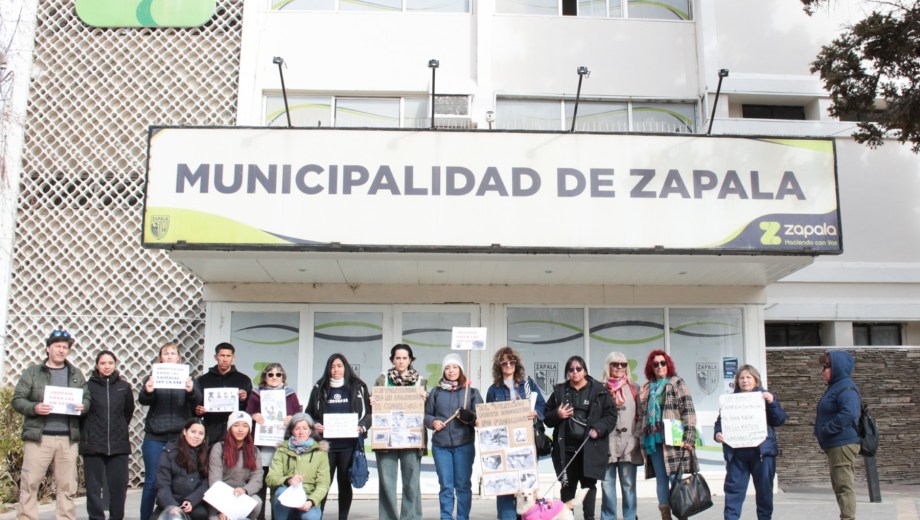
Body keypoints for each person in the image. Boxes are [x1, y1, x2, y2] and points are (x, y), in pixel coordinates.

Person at [12, 329, 90, 520]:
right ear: (48, 348)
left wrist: (83, 406)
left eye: (65, 347)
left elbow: (87, 398)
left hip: (67, 438)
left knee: (67, 486)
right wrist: (35, 408)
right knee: (30, 483)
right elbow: (18, 400)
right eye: (57, 346)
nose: (62, 350)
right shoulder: (32, 372)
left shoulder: (75, 374)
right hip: (39, 437)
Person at [544, 355, 617, 520]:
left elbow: (611, 415)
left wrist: (599, 429)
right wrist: (558, 414)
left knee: (589, 487)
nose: (575, 372)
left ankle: (589, 518)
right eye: (571, 369)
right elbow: (546, 418)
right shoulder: (559, 391)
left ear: (585, 371)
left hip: (590, 448)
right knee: (567, 487)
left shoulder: (599, 390)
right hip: (566, 450)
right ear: (567, 373)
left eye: (579, 369)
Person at [714, 364, 787, 520]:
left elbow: (779, 419)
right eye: (741, 378)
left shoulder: (765, 397)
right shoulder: (730, 400)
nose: (745, 381)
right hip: (737, 454)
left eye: (748, 377)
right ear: (737, 381)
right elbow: (720, 422)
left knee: (764, 493)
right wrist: (717, 433)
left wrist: (772, 402)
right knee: (733, 492)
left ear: (756, 380)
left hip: (762, 453)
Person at [304, 353, 371, 520]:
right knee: (323, 483)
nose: (336, 370)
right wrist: (314, 425)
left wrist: (362, 426)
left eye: (339, 366)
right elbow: (309, 414)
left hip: (349, 445)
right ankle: (317, 515)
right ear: (328, 369)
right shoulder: (319, 387)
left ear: (345, 367)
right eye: (332, 366)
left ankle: (343, 517)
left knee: (344, 483)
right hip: (325, 446)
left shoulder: (358, 387)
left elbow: (369, 413)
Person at [139, 341, 201, 520]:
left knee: (179, 480)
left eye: (172, 353)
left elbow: (198, 401)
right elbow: (143, 400)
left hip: (179, 436)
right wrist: (148, 391)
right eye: (165, 353)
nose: (169, 356)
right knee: (151, 481)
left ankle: (176, 515)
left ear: (179, 358)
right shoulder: (152, 377)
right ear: (160, 357)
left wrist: (191, 391)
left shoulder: (189, 378)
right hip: (155, 436)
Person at [485, 346, 546, 520]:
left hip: (525, 442)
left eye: (511, 361)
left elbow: (541, 405)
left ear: (516, 364)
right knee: (504, 485)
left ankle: (528, 516)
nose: (508, 365)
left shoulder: (528, 384)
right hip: (503, 445)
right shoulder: (493, 390)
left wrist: (535, 414)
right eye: (504, 362)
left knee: (526, 484)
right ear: (499, 366)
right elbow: (488, 414)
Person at [636, 350, 697, 520]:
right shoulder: (646, 388)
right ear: (651, 367)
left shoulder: (677, 383)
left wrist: (689, 436)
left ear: (668, 364)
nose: (660, 366)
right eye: (655, 364)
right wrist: (641, 441)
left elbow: (688, 410)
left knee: (674, 477)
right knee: (661, 479)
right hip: (653, 440)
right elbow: (641, 416)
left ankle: (682, 513)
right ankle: (665, 515)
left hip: (674, 439)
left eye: (663, 363)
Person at [372, 344, 428, 520]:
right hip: (387, 438)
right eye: (397, 358)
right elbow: (374, 405)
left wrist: (425, 400)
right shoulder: (382, 379)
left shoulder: (421, 381)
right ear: (392, 360)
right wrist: (372, 401)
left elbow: (428, 409)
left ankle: (410, 517)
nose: (401, 361)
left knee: (411, 483)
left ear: (410, 359)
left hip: (411, 438)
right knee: (387, 483)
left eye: (404, 358)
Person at [425, 352, 483, 520]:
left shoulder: (471, 392)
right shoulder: (436, 392)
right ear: (443, 371)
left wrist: (470, 417)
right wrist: (433, 421)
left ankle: (463, 517)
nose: (451, 371)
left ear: (461, 369)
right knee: (446, 485)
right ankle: (446, 517)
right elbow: (426, 415)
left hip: (463, 445)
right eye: (448, 367)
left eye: (455, 367)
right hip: (440, 446)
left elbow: (481, 417)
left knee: (463, 485)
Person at [80, 350, 136, 520]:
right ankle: (96, 517)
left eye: (110, 363)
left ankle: (116, 517)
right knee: (93, 487)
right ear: (97, 365)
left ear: (115, 364)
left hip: (118, 444)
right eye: (103, 363)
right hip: (93, 443)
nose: (106, 366)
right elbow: (83, 412)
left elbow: (128, 412)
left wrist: (117, 428)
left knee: (118, 487)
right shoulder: (87, 386)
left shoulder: (124, 387)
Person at [246, 363, 301, 520]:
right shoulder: (256, 394)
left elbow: (299, 415)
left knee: (278, 486)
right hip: (261, 445)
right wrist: (253, 416)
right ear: (265, 377)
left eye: (278, 375)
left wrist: (292, 419)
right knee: (261, 484)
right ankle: (260, 517)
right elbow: (247, 412)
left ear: (283, 377)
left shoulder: (290, 394)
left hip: (281, 447)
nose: (275, 378)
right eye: (271, 374)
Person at [814, 351, 861, 520]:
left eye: (825, 367)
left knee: (844, 485)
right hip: (836, 444)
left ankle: (848, 518)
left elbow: (849, 414)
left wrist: (827, 429)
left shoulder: (845, 387)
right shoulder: (836, 386)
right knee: (839, 484)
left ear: (837, 368)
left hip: (842, 443)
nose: (822, 371)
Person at [599, 352, 642, 520]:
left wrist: (636, 437)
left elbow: (641, 415)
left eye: (623, 364)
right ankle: (608, 517)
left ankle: (630, 517)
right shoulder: (599, 389)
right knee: (607, 486)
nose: (619, 367)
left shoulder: (635, 388)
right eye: (615, 364)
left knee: (629, 486)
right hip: (607, 444)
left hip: (629, 445)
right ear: (608, 366)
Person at [265, 413, 331, 520]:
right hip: (286, 497)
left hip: (308, 497)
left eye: (305, 428)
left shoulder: (320, 452)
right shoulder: (282, 450)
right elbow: (270, 479)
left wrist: (312, 501)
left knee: (311, 517)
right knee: (280, 492)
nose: (301, 432)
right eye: (297, 428)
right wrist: (288, 480)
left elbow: (323, 483)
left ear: (310, 431)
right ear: (291, 430)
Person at [195, 342, 253, 447]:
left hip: (235, 433)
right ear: (216, 357)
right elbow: (197, 405)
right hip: (211, 430)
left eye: (228, 356)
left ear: (233, 357)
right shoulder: (203, 380)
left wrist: (244, 399)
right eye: (222, 355)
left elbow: (250, 409)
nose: (225, 359)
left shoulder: (244, 380)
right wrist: (199, 411)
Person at [208, 411, 263, 520]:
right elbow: (215, 481)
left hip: (240, 494)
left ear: (249, 430)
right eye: (236, 425)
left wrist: (245, 490)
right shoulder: (219, 448)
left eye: (245, 426)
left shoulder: (254, 451)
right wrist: (222, 509)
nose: (240, 429)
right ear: (230, 428)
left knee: (257, 502)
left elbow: (257, 478)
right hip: (220, 497)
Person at [156, 418, 210, 520]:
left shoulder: (206, 454)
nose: (196, 436)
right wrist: (172, 506)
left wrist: (192, 500)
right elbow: (162, 486)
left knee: (201, 514)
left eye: (201, 433)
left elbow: (206, 483)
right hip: (171, 503)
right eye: (193, 432)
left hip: (194, 504)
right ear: (185, 432)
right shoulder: (169, 452)